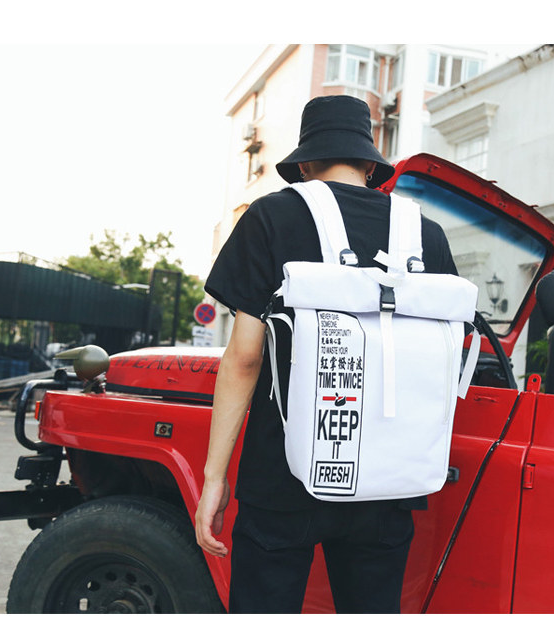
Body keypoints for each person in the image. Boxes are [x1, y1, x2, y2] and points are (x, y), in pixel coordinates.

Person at [195, 95, 458, 614]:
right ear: (369, 165)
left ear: (305, 163)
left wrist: (214, 478)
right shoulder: (424, 233)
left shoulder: (272, 216)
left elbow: (245, 357)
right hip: (389, 479)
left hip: (282, 478)